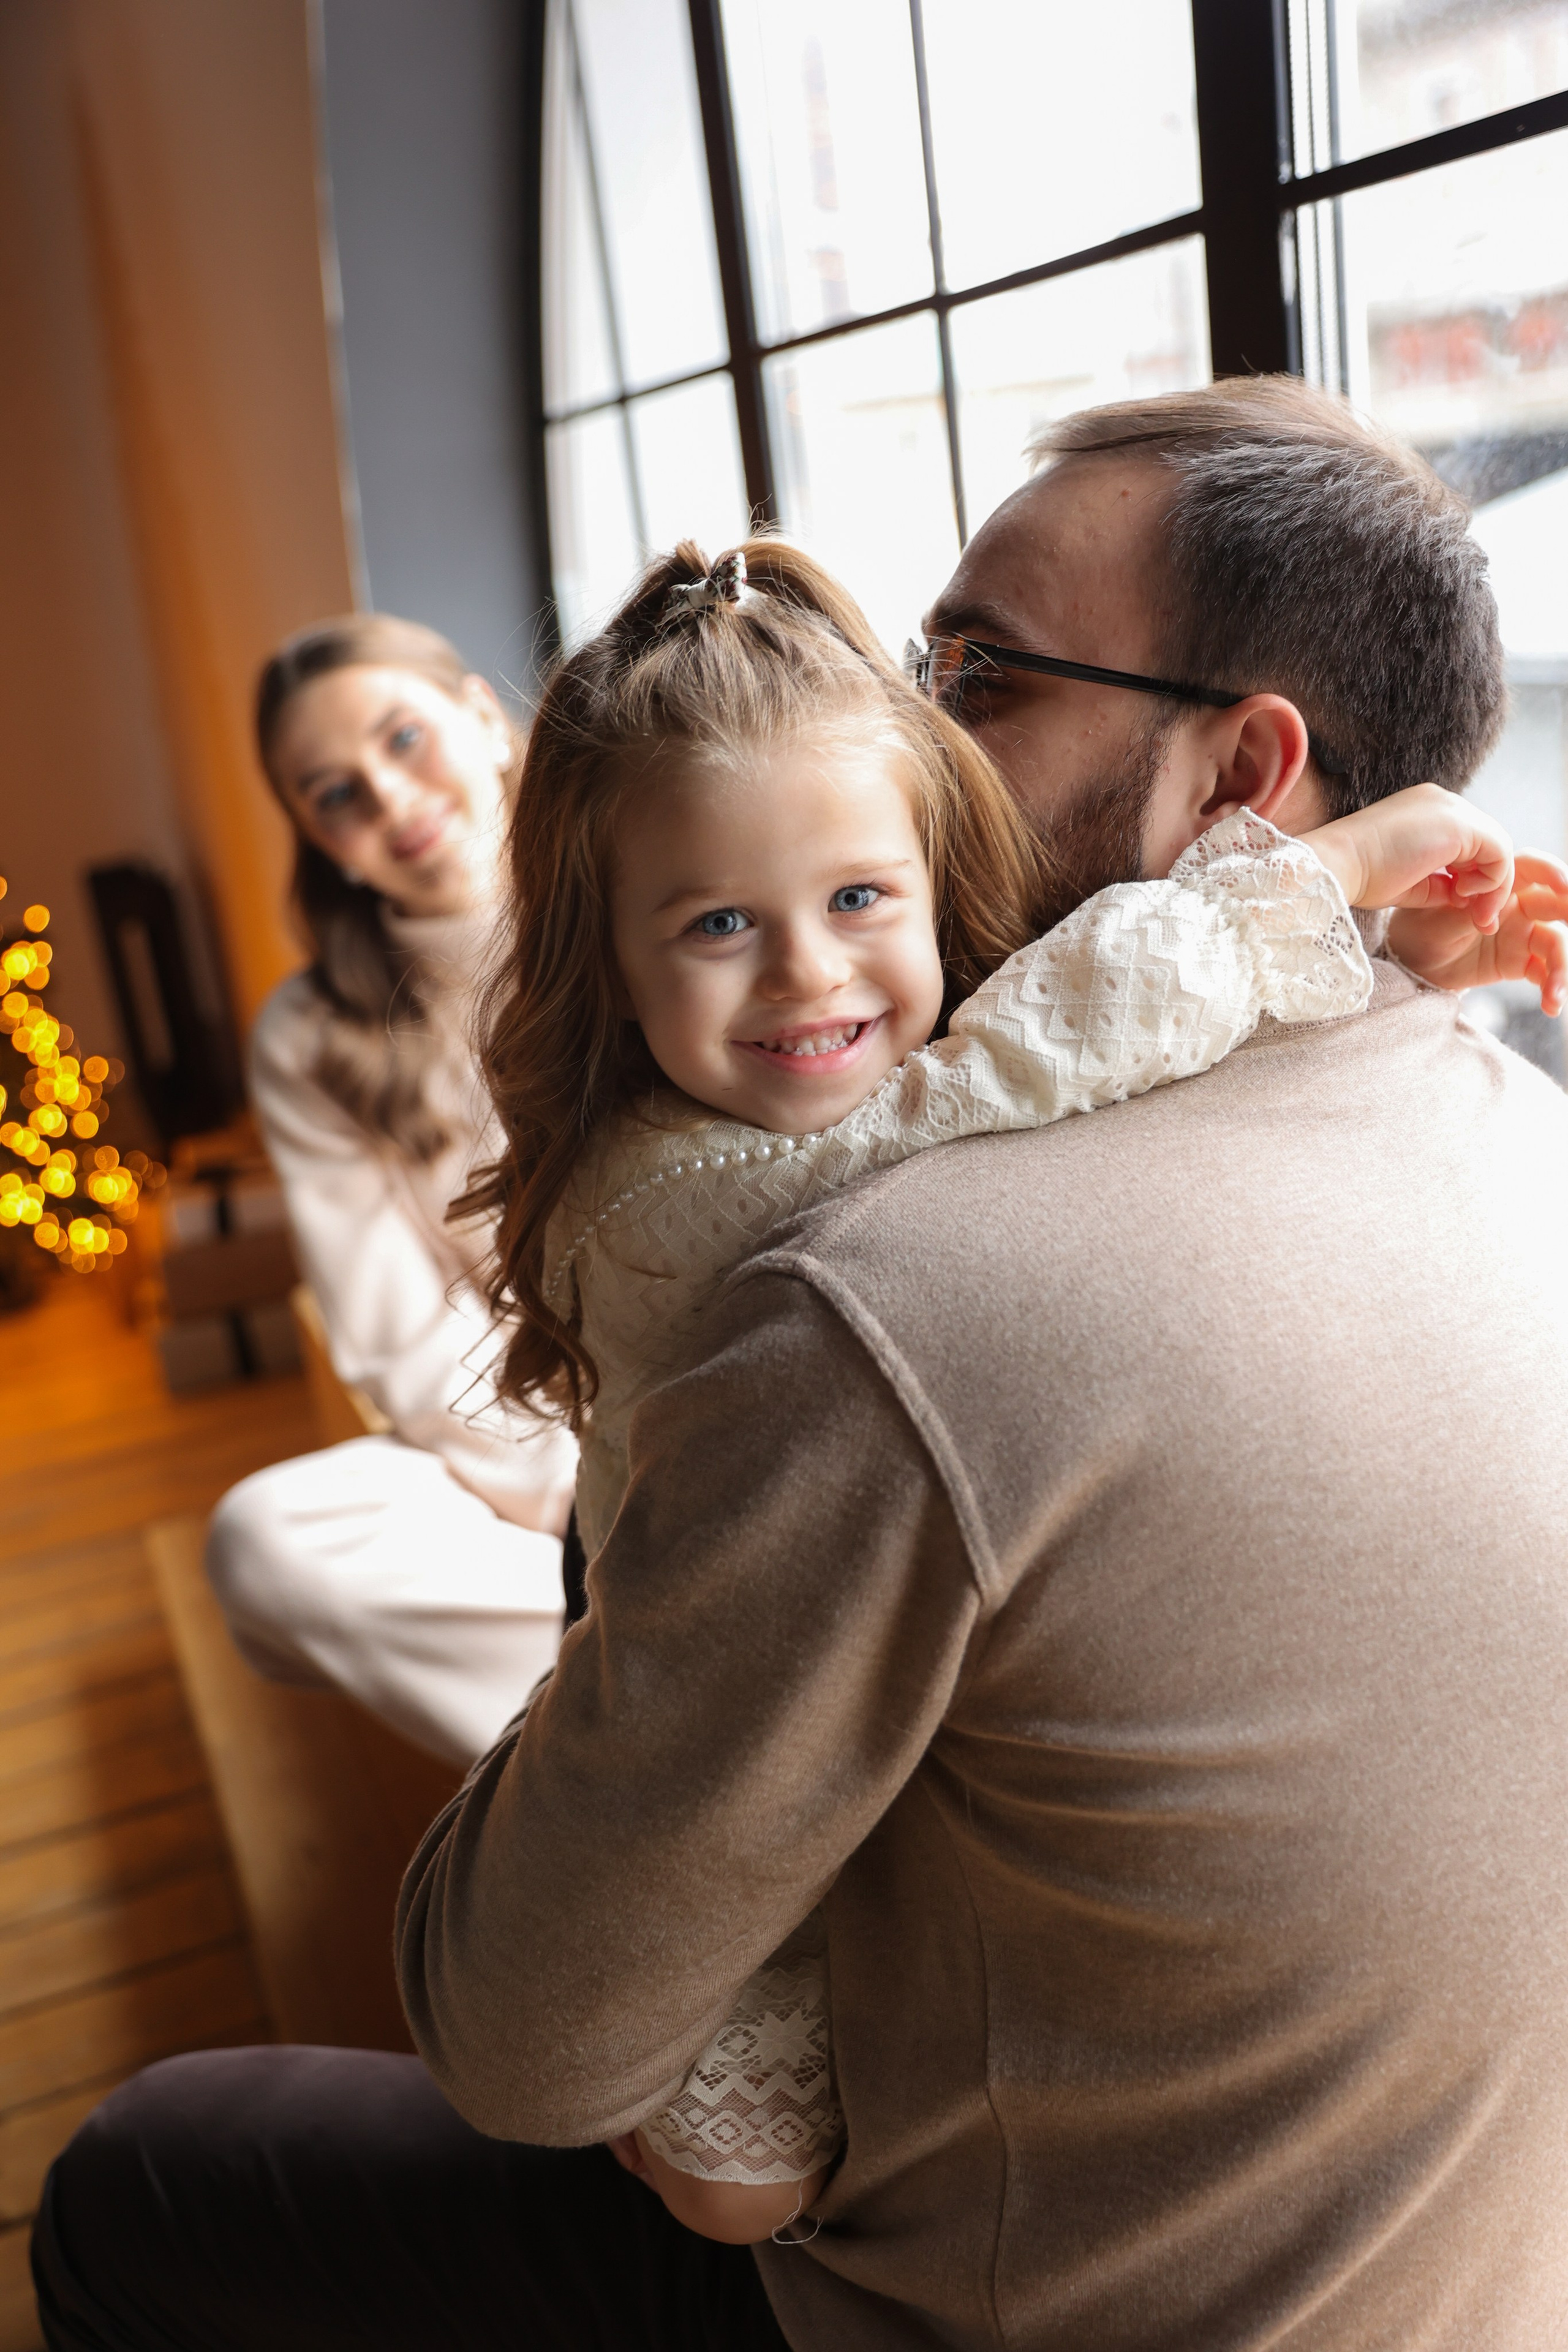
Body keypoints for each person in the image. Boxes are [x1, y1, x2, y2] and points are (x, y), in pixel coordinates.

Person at [31, 380, 1568, 2351]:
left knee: (152, 2169)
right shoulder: (1513, 1123)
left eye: (982, 674)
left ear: (1242, 789)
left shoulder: (898, 1293)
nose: (913, 742)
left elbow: (520, 2045)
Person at [461, 537, 1532, 2247]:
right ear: (614, 961)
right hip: (691, 1650)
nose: (809, 975)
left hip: (760, 1668)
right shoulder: (693, 1198)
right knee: (736, 2180)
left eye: (859, 902)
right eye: (722, 925)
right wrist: (1323, 888)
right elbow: (1032, 1051)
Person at [205, 616, 577, 1764]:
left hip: (724, 1385)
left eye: (404, 739)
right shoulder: (311, 1037)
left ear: (481, 716)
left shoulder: (634, 895)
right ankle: (616, 1722)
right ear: (324, 845)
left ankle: (630, 1721)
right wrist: (573, 1499)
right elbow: (400, 1339)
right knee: (267, 1544)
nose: (388, 799)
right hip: (540, 1449)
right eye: (335, 797)